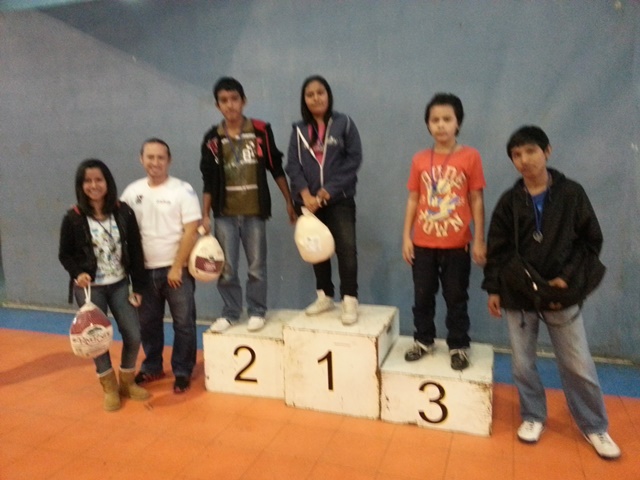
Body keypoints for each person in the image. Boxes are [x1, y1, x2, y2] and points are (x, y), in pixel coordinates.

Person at [482, 125, 621, 459]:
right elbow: (497, 249)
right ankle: (533, 415)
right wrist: (494, 289)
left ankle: (594, 425)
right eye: (516, 155)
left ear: (547, 151)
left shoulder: (572, 194)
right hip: (519, 294)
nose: (524, 160)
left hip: (562, 293)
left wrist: (567, 277)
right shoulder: (510, 201)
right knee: (522, 364)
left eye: (531, 151)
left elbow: (591, 241)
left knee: (578, 364)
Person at [200, 77, 296, 333]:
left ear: (244, 101)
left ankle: (257, 310)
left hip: (254, 213)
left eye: (234, 99)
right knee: (227, 268)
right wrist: (205, 215)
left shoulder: (260, 131)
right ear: (217, 105)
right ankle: (231, 313)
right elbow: (208, 179)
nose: (230, 105)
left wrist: (289, 201)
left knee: (256, 267)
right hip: (225, 215)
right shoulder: (212, 138)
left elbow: (276, 168)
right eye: (224, 100)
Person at [402, 93, 486, 371]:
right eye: (435, 120)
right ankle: (423, 339)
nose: (441, 125)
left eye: (447, 119)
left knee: (456, 297)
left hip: (457, 244)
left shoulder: (470, 157)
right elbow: (413, 199)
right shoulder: (419, 159)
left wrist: (479, 239)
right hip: (423, 242)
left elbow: (476, 199)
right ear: (428, 124)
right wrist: (406, 237)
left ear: (458, 122)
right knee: (422, 296)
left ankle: (459, 345)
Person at [59, 159, 150, 411]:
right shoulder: (73, 218)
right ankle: (109, 388)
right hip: (90, 290)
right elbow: (65, 254)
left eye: (98, 179)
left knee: (133, 334)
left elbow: (136, 251)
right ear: (81, 185)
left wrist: (138, 288)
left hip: (120, 284)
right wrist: (78, 273)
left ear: (107, 182)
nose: (94, 185)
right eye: (87, 181)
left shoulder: (123, 212)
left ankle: (127, 382)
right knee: (96, 341)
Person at [121, 138, 201, 394]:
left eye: (160, 157)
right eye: (150, 157)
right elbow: (120, 226)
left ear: (169, 160)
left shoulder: (183, 190)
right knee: (148, 324)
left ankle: (182, 370)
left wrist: (177, 266)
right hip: (143, 274)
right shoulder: (131, 192)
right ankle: (153, 366)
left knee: (184, 323)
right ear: (141, 159)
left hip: (176, 271)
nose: (155, 162)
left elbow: (191, 230)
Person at [286, 75, 363, 325]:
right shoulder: (298, 130)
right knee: (316, 248)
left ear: (328, 95)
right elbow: (292, 165)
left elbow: (353, 160)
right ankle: (325, 296)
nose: (316, 98)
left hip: (339, 199)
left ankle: (349, 299)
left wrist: (327, 191)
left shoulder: (344, 124)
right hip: (308, 202)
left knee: (346, 249)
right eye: (310, 94)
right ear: (304, 100)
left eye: (320, 92)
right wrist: (306, 195)